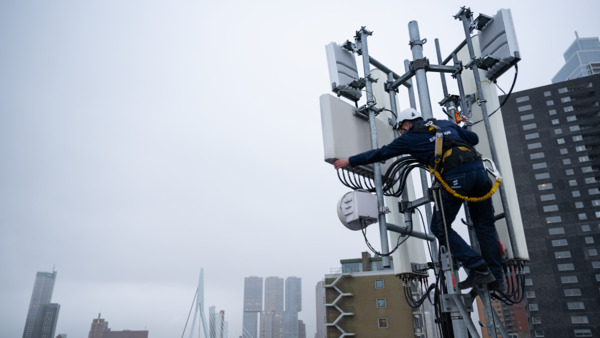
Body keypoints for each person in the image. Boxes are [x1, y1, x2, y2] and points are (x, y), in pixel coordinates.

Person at [333, 107, 505, 292]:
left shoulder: (409, 138)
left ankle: (478, 267)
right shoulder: (444, 123)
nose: (401, 133)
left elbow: (381, 153)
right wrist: (454, 129)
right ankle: (497, 278)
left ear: (407, 125)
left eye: (400, 130)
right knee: (485, 225)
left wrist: (349, 161)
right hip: (480, 172)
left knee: (439, 227)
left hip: (456, 175)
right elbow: (474, 139)